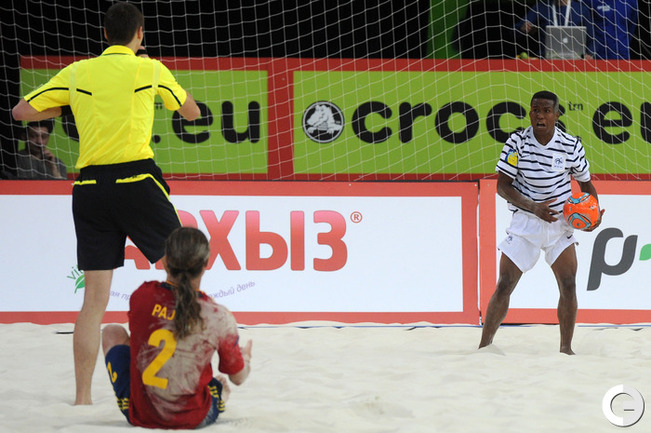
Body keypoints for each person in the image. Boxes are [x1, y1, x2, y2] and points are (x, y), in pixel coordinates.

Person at [11, 2, 201, 405]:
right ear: (140, 34)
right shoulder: (149, 69)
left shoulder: (78, 71)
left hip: (90, 187)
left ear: (104, 35)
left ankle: (82, 398)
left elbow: (21, 111)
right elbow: (191, 112)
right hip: (136, 181)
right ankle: (179, 379)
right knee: (184, 275)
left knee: (93, 301)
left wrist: (70, 104)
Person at [478, 90, 604, 355]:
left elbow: (586, 185)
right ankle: (484, 347)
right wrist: (534, 207)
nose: (540, 116)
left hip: (559, 223)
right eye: (536, 110)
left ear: (556, 115)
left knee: (568, 283)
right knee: (505, 283)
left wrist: (593, 216)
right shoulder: (517, 143)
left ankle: (566, 350)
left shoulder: (571, 145)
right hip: (527, 220)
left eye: (547, 111)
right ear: (530, 114)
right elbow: (502, 187)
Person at [102, 227, 252, 429]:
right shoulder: (217, 315)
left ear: (165, 261)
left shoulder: (142, 296)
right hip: (193, 417)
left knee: (111, 332)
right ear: (205, 265)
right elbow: (238, 378)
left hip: (141, 415)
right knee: (210, 378)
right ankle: (218, 396)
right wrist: (246, 358)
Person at [515, 0, 595, 59]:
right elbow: (513, 31)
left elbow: (592, 39)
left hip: (574, 61)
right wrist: (523, 29)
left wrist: (589, 54)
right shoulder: (541, 7)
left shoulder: (581, 10)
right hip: (545, 60)